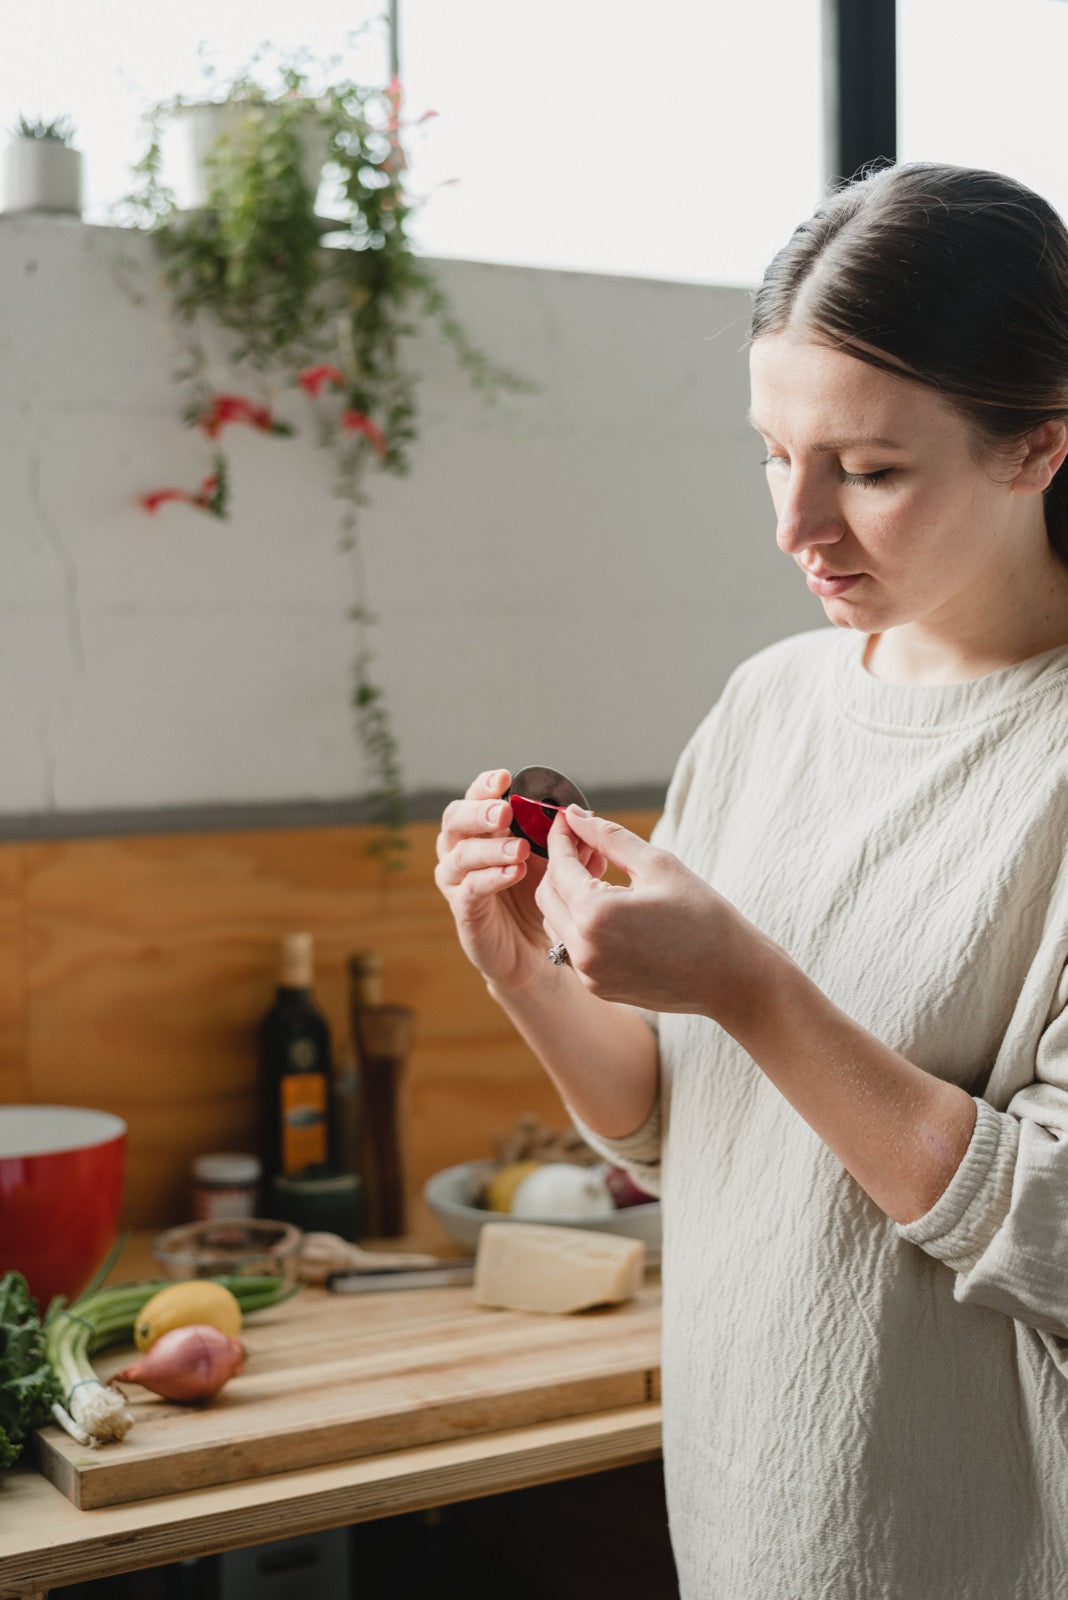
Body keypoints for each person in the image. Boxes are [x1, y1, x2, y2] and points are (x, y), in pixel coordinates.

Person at [435, 162, 1068, 1599]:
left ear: (1038, 448)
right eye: (773, 453)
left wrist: (752, 989)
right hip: (747, 1529)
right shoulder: (768, 706)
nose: (798, 523)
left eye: (871, 469)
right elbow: (672, 1134)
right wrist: (525, 969)